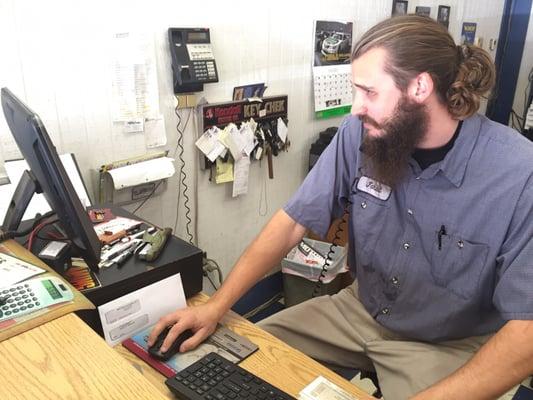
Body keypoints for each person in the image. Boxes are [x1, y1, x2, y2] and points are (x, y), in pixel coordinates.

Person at [149, 15, 533, 399]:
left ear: (420, 86)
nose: (354, 109)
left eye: (369, 93)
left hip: (448, 343)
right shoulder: (361, 135)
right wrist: (216, 306)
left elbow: (527, 332)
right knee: (230, 362)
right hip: (360, 311)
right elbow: (291, 222)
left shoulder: (518, 175)